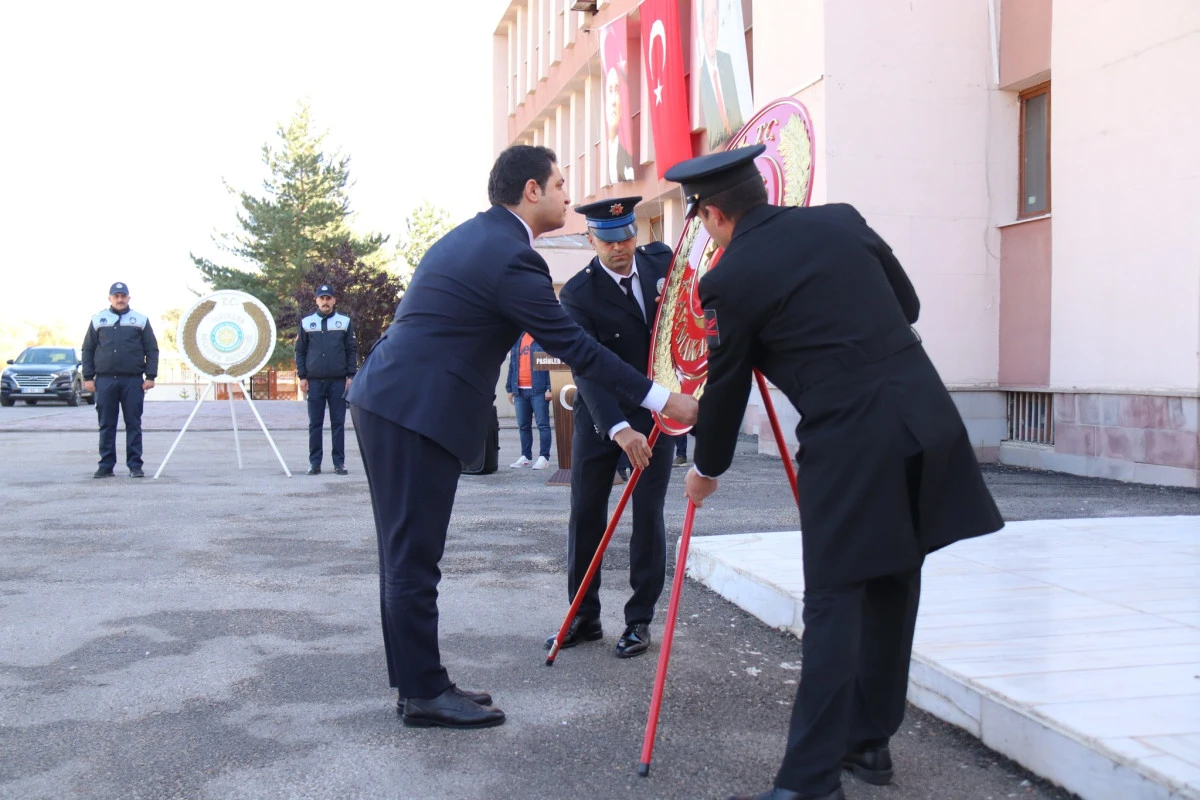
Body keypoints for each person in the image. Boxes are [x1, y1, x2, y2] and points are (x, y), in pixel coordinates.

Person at [665, 146, 1004, 800]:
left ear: (712, 214)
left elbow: (727, 388)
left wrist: (706, 470)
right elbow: (906, 305)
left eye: (703, 222)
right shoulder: (841, 220)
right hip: (925, 416)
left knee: (834, 602)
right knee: (895, 583)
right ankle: (868, 744)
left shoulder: (730, 279)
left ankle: (810, 781)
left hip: (852, 442)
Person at [346, 145, 697, 731]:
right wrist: (663, 399)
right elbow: (579, 348)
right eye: (560, 184)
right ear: (531, 190)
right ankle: (423, 693)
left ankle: (419, 684)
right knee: (412, 559)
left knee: (404, 556)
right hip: (412, 409)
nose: (567, 194)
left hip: (398, 402)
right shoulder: (512, 257)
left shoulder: (487, 240)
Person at [548, 196, 675, 659]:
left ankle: (639, 620)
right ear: (590, 240)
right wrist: (619, 428)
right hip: (603, 416)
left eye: (627, 236)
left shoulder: (662, 262)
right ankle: (584, 617)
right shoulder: (578, 294)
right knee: (586, 514)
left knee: (647, 515)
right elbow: (586, 368)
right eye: (609, 240)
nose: (621, 248)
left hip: (657, 415)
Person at [81, 281, 159, 479]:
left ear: (128, 298)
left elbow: (151, 349)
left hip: (133, 381)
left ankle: (135, 465)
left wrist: (150, 376)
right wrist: (88, 377)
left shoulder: (140, 320)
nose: (120, 299)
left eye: (123, 296)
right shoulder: (98, 320)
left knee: (133, 423)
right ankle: (106, 465)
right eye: (116, 296)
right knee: (106, 424)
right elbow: (87, 349)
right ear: (110, 298)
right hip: (105, 381)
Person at [295, 284, 358, 476]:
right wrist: (302, 376)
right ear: (316, 301)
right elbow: (300, 351)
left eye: (328, 298)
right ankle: (315, 463)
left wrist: (350, 376)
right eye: (321, 298)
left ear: (334, 300)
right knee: (315, 423)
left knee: (338, 423)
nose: (325, 302)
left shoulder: (344, 322)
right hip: (314, 382)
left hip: (338, 381)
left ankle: (339, 463)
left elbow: (351, 350)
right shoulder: (307, 323)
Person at [696, 0, 745, 149]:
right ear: (702, 27)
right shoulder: (701, 75)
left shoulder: (730, 63)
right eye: (706, 18)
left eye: (715, 15)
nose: (711, 27)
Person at [506, 332, 553, 469]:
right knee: (523, 426)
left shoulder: (542, 337)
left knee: (543, 425)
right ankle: (525, 456)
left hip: (538, 390)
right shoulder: (517, 339)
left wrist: (550, 387)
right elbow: (512, 365)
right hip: (520, 390)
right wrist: (510, 389)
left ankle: (544, 458)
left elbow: (550, 362)